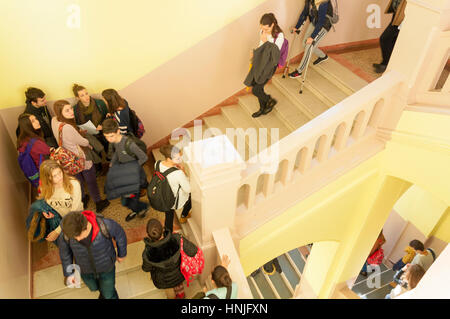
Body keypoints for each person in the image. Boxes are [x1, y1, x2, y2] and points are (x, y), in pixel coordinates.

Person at [51, 100, 110, 213]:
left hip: (68, 159)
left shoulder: (54, 120)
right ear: (60, 112)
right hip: (80, 157)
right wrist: (88, 143)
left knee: (78, 180)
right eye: (67, 110)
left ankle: (83, 198)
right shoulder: (67, 127)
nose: (71, 112)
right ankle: (98, 202)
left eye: (71, 108)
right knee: (91, 179)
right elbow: (83, 142)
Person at [58, 210, 127, 299]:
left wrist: (122, 254)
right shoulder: (66, 235)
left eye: (79, 235)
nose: (78, 239)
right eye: (74, 237)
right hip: (85, 270)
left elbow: (120, 235)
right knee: (94, 288)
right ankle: (103, 292)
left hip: (106, 268)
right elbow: (65, 254)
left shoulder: (105, 225)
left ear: (86, 226)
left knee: (109, 293)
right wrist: (69, 273)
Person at [102, 118, 149, 221]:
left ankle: (143, 208)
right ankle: (136, 209)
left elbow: (144, 157)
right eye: (106, 137)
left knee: (128, 200)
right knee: (126, 201)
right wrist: (112, 163)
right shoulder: (115, 141)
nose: (109, 139)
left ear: (118, 131)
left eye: (111, 136)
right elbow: (116, 152)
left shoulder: (129, 144)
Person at [141, 218, 198, 299]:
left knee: (169, 291)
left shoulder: (147, 253)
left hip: (163, 281)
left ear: (148, 235)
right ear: (163, 229)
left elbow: (146, 268)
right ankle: (181, 295)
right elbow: (193, 251)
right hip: (179, 273)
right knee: (178, 283)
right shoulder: (176, 238)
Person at [244, 13, 283, 118]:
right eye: (262, 29)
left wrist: (267, 41)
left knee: (256, 89)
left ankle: (270, 100)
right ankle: (262, 108)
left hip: (269, 66)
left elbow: (275, 55)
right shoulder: (262, 31)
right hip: (260, 62)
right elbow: (261, 46)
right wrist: (255, 53)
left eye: (266, 29)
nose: (264, 31)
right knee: (257, 86)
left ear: (272, 25)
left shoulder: (279, 36)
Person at [38, 160, 83, 243]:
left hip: (77, 220)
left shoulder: (74, 184)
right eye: (55, 176)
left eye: (60, 172)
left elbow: (74, 212)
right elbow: (42, 200)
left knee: (80, 242)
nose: (60, 177)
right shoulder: (44, 188)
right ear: (47, 178)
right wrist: (45, 210)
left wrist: (57, 231)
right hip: (62, 221)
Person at [72, 84, 110, 174]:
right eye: (82, 95)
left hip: (102, 131)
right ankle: (99, 168)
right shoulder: (75, 109)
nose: (86, 97)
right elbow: (76, 123)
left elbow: (107, 116)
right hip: (89, 134)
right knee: (95, 151)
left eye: (86, 93)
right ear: (77, 98)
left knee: (107, 147)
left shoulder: (99, 103)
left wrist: (102, 125)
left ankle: (110, 164)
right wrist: (80, 129)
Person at [289, 0, 333, 79]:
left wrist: (312, 37)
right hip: (314, 21)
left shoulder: (323, 2)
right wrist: (297, 27)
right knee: (304, 43)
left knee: (309, 46)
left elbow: (321, 22)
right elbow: (304, 13)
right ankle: (323, 56)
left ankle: (299, 71)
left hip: (324, 24)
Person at [157, 144, 192, 232]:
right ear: (169, 159)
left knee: (169, 215)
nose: (180, 160)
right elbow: (188, 189)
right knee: (191, 196)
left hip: (163, 195)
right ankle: (184, 215)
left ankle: (167, 235)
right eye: (178, 158)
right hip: (174, 199)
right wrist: (183, 172)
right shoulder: (178, 173)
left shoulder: (157, 164)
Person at [17, 113, 52, 190]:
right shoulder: (35, 143)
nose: (37, 121)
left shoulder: (23, 140)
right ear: (27, 126)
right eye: (33, 121)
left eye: (36, 119)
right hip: (46, 173)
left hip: (38, 175)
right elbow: (50, 152)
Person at [373, 0, 406, 73]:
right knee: (392, 40)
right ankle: (387, 64)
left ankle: (385, 64)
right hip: (397, 13)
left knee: (384, 39)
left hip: (403, 16)